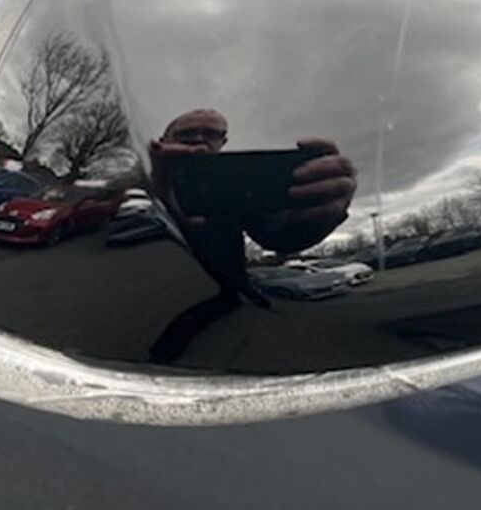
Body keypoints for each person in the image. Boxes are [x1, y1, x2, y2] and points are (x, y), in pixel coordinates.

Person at [145, 108, 356, 361]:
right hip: (155, 317)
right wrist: (158, 195)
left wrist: (322, 214)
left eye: (211, 134)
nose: (199, 140)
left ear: (223, 143)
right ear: (161, 142)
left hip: (227, 312)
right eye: (187, 133)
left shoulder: (233, 190)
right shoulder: (136, 186)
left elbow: (278, 236)